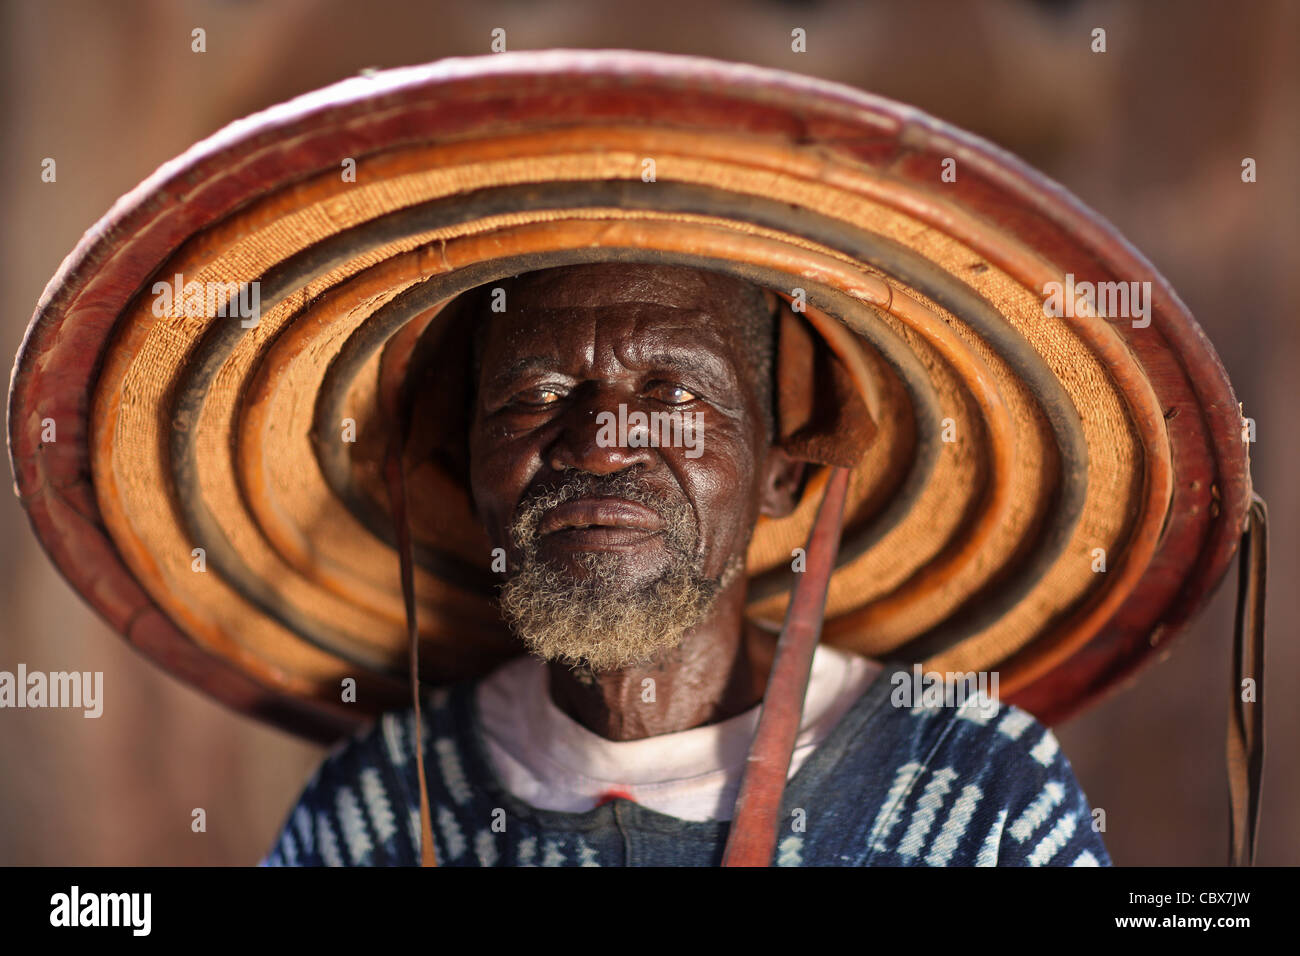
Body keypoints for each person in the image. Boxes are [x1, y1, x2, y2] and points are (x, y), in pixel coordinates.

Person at [259, 262, 1111, 867]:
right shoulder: (370, 814)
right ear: (469, 469)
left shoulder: (979, 793)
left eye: (674, 395)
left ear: (781, 475)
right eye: (536, 396)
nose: (598, 446)